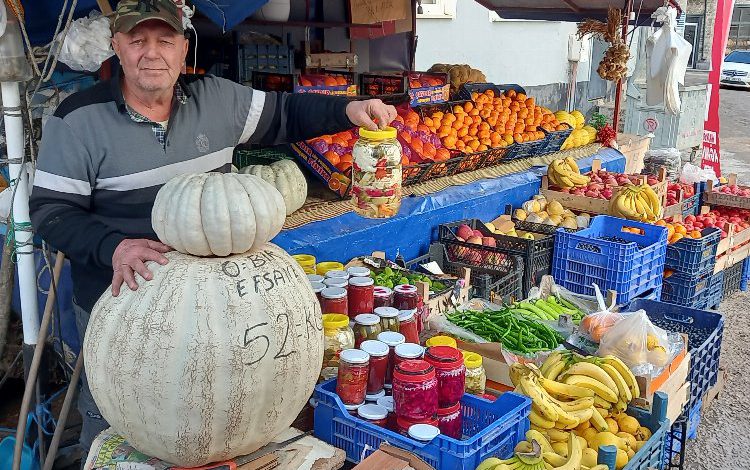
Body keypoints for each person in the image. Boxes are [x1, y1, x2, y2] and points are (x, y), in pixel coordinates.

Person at [28, 0, 397, 456]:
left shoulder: (218, 99)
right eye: (137, 41)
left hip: (219, 313)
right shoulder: (77, 120)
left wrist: (349, 110)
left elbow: (286, 114)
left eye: (165, 41)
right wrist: (113, 247)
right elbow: (49, 211)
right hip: (127, 307)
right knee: (124, 427)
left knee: (217, 419)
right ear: (116, 48)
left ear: (184, 49)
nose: (151, 53)